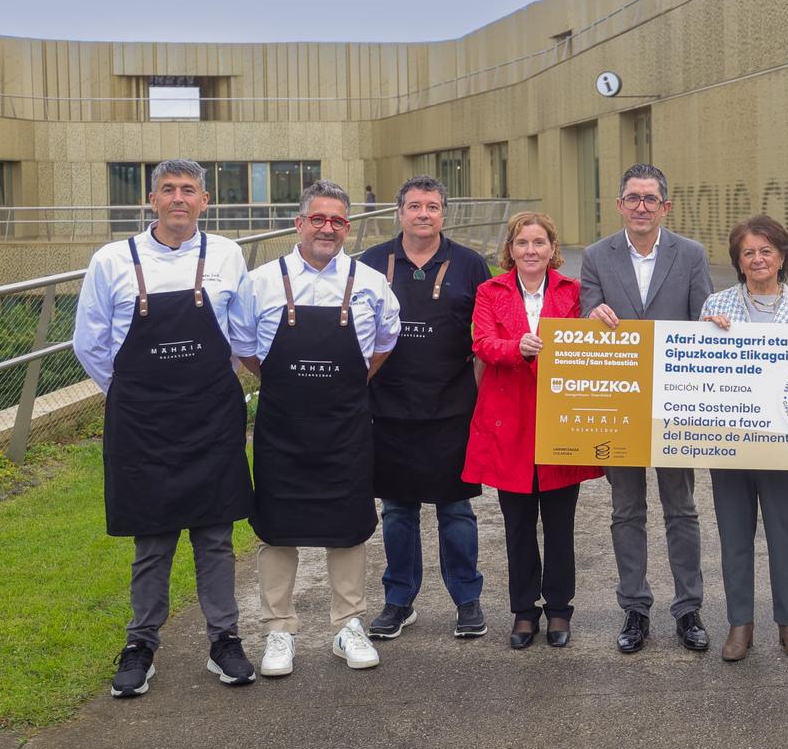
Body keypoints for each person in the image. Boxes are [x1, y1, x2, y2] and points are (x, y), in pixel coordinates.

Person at [74, 158, 256, 698]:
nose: (179, 198)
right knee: (152, 537)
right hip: (143, 421)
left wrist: (200, 387)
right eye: (169, 190)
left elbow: (239, 330)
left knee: (215, 536)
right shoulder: (111, 260)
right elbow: (90, 342)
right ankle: (140, 644)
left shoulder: (227, 254)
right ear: (151, 200)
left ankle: (225, 640)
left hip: (211, 416)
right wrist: (135, 391)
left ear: (205, 200)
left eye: (190, 190)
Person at [231, 180, 400, 677]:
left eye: (338, 221)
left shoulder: (370, 282)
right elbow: (244, 348)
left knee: (348, 526)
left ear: (348, 228)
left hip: (346, 426)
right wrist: (288, 386)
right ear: (299, 223)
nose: (328, 228)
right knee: (277, 528)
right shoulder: (260, 281)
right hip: (282, 426)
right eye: (318, 219)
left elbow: (385, 341)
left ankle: (348, 625)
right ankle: (278, 630)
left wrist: (345, 385)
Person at [580, 163, 714, 654]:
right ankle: (634, 608)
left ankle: (689, 609)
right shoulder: (596, 256)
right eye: (632, 198)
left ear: (665, 206)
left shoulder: (691, 254)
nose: (641, 206)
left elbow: (703, 319)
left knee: (681, 508)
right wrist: (590, 314)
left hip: (675, 403)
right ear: (619, 205)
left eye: (650, 199)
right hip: (618, 404)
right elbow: (582, 318)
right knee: (626, 510)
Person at [359, 176, 490, 641]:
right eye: (414, 206)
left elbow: (488, 335)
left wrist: (473, 395)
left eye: (432, 207)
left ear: (442, 214)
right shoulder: (371, 264)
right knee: (397, 511)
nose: (422, 214)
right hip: (388, 410)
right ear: (399, 212)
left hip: (451, 409)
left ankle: (467, 599)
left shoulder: (471, 264)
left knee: (456, 510)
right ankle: (398, 600)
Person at [464, 212, 603, 649]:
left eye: (539, 243)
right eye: (522, 243)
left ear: (551, 249)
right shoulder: (490, 291)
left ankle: (560, 609)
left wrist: (599, 322)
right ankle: (524, 611)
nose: (530, 251)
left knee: (561, 525)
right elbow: (482, 342)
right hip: (510, 421)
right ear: (510, 249)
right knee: (518, 526)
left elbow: (589, 345)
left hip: (563, 420)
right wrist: (515, 347)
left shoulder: (575, 292)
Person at [699, 215, 788, 661]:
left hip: (785, 444)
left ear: (782, 256)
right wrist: (707, 336)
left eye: (766, 250)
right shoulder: (716, 306)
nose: (757, 259)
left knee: (785, 534)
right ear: (738, 260)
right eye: (748, 252)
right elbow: (697, 375)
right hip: (730, 441)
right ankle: (740, 625)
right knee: (734, 535)